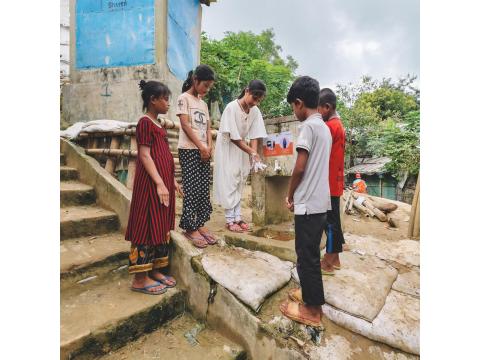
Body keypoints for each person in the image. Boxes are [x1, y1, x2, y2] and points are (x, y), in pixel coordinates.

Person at [280, 76, 332, 327]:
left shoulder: (308, 127)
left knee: (306, 256)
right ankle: (311, 294)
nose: (294, 112)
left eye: (293, 107)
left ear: (299, 103)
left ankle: (312, 310)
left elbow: (300, 168)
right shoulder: (324, 127)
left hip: (308, 204)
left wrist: (290, 195)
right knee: (310, 253)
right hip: (320, 203)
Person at [125, 80, 183, 295]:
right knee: (146, 225)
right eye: (165, 99)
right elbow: (145, 154)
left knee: (160, 224)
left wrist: (171, 181)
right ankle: (140, 279)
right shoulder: (145, 123)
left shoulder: (159, 124)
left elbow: (163, 155)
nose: (168, 103)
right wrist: (159, 182)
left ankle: (156, 270)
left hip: (162, 182)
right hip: (150, 185)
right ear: (153, 100)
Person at [213, 80, 268, 232]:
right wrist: (251, 152)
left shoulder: (255, 111)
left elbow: (255, 135)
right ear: (246, 91)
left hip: (243, 148)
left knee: (241, 180)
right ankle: (229, 220)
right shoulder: (231, 108)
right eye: (254, 98)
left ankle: (238, 217)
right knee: (230, 180)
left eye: (259, 100)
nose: (255, 102)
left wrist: (253, 154)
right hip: (229, 147)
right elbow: (233, 137)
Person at [176, 65, 217, 248]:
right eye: (205, 85)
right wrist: (200, 146)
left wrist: (209, 146)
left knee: (202, 189)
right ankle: (189, 227)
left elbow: (207, 128)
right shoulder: (183, 98)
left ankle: (200, 224)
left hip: (203, 151)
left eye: (209, 87)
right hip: (188, 149)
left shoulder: (203, 104)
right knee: (191, 189)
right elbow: (185, 125)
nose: (206, 90)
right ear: (195, 80)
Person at [318, 88, 345, 272]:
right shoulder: (339, 125)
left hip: (328, 184)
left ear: (327, 107)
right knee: (333, 221)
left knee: (329, 224)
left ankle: (328, 261)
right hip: (335, 182)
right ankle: (335, 259)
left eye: (318, 109)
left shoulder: (329, 127)